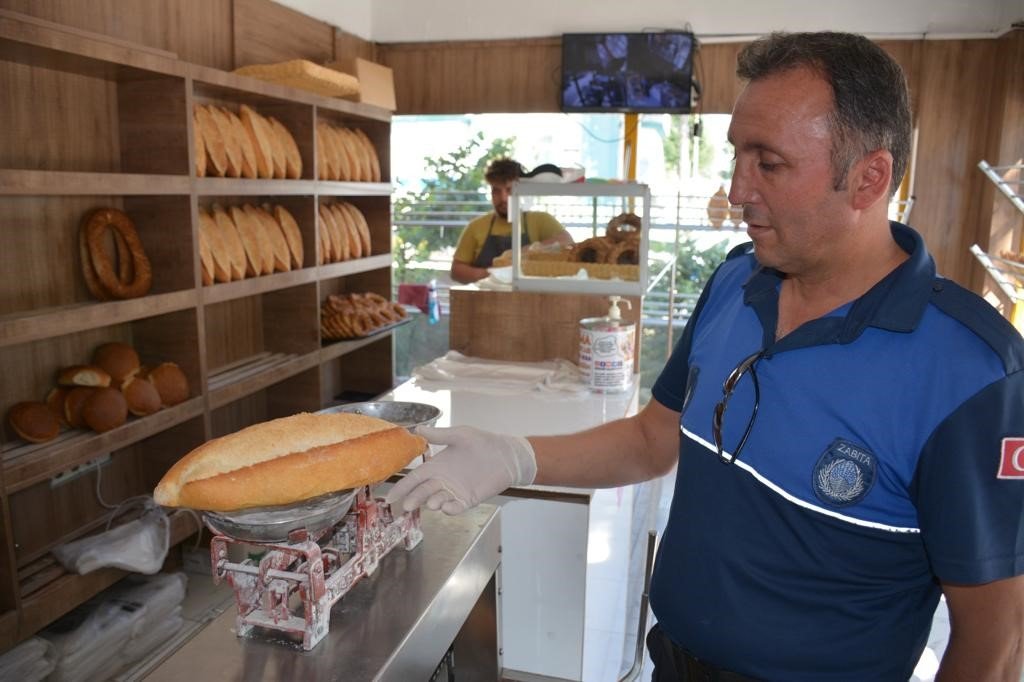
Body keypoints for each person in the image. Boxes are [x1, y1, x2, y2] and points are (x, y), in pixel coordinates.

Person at [388, 31, 1024, 681]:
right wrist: (515, 455)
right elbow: (649, 441)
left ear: (869, 177)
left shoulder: (969, 373)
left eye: (767, 163)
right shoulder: (734, 285)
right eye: (737, 157)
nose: (736, 190)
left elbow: (993, 644)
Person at [450, 158, 572, 284]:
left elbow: (567, 241)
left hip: (528, 300)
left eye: (509, 190)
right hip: (487, 300)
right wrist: (493, 273)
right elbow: (456, 271)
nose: (503, 198)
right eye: (496, 191)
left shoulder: (540, 220)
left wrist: (521, 253)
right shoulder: (476, 226)